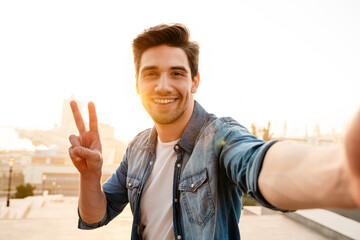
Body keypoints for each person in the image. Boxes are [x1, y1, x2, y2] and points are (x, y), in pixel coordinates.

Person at [68, 23, 360, 240]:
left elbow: (257, 163)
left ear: (195, 82)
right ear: (137, 85)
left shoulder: (220, 137)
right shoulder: (137, 147)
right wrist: (89, 176)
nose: (163, 85)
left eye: (177, 73)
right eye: (151, 74)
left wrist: (340, 174)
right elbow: (95, 216)